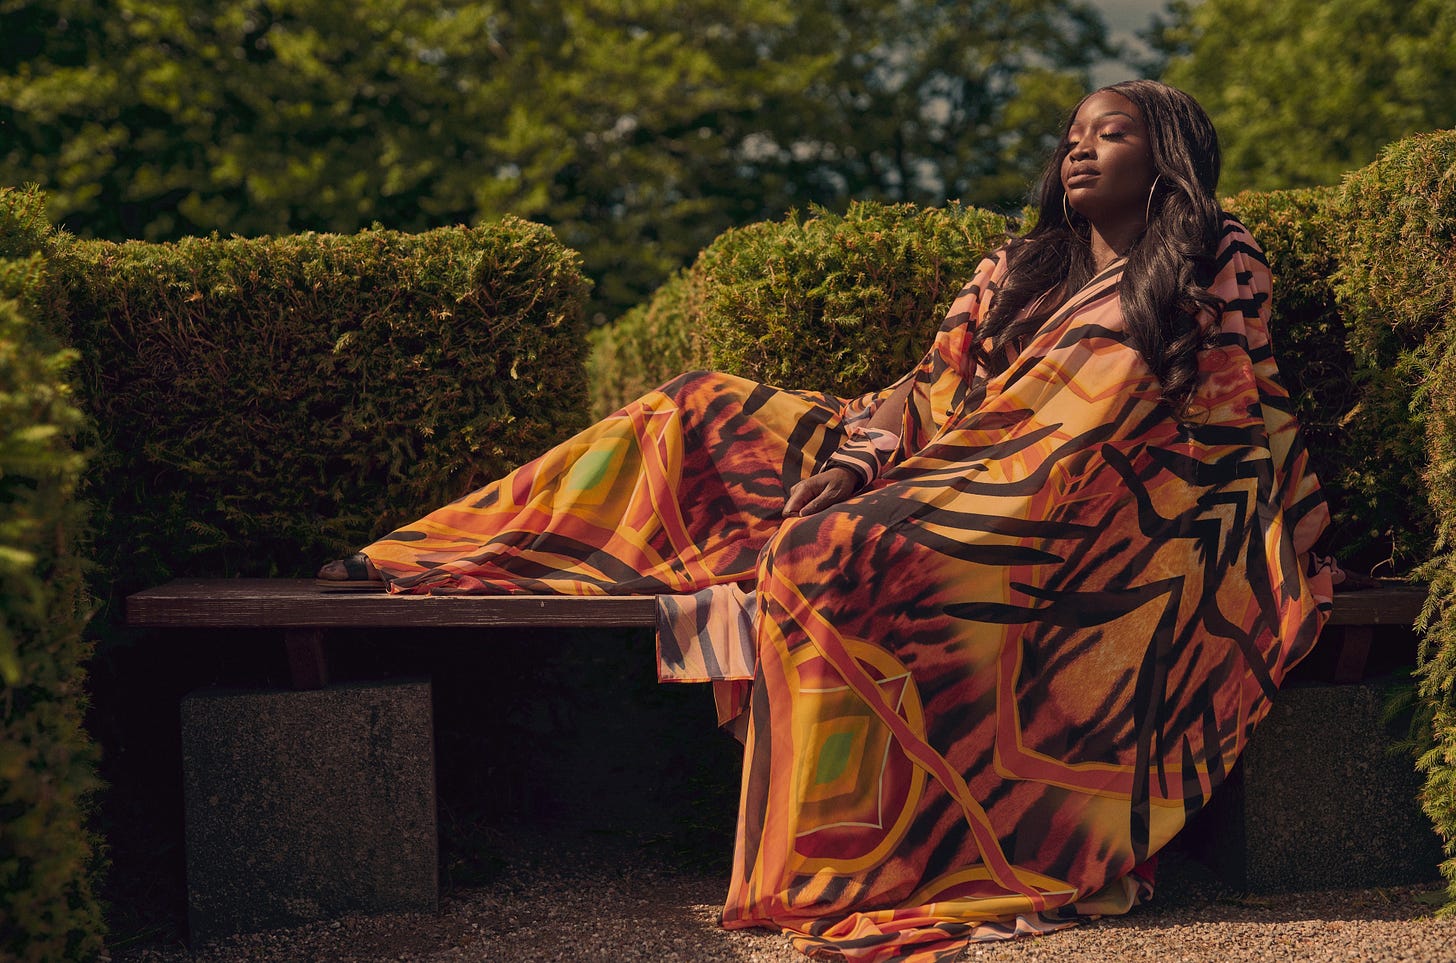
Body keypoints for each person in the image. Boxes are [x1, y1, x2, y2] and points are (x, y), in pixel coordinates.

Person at [319, 80, 1338, 960]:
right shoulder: (1018, 267)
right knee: (693, 410)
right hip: (932, 460)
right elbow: (923, 389)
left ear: (1166, 155)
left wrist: (911, 486)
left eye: (1108, 132)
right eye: (1071, 132)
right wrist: (860, 457)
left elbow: (1222, 411)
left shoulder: (1209, 250)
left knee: (823, 554)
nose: (1077, 146)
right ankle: (433, 559)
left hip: (1075, 506)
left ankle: (830, 866)